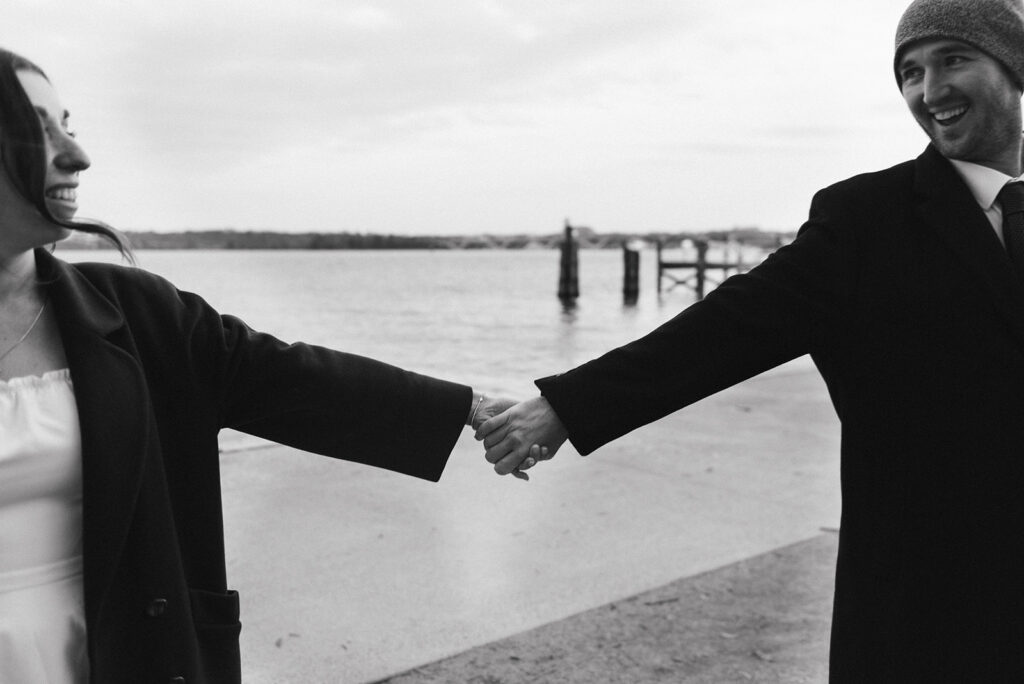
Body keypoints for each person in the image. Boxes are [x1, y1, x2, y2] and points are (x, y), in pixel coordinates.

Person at [478, 0, 1024, 680]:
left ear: (1014, 63)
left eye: (953, 60)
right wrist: (566, 407)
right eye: (910, 71)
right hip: (926, 602)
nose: (929, 90)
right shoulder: (866, 220)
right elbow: (729, 328)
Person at [0, 48, 515, 683]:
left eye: (68, 126)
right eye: (36, 130)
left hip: (120, 658)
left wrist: (469, 408)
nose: (76, 156)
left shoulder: (138, 314)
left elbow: (294, 381)